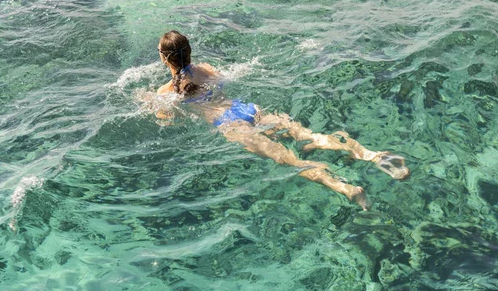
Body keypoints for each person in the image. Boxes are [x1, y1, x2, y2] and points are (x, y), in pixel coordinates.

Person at [155, 30, 409, 210]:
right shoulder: (207, 68)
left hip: (231, 126)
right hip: (248, 109)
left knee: (293, 161)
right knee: (309, 135)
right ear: (189, 50)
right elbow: (222, 80)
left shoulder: (166, 91)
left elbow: (166, 120)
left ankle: (346, 189)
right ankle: (372, 155)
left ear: (164, 58)